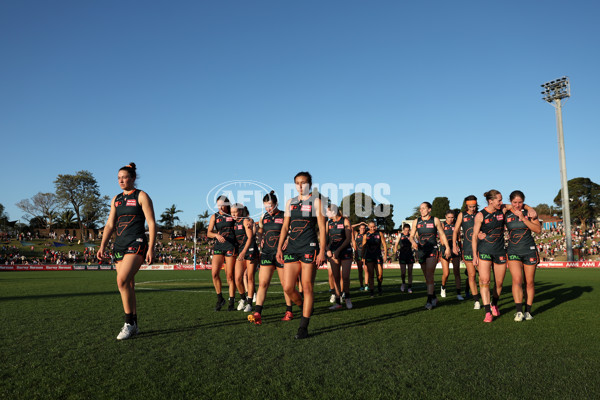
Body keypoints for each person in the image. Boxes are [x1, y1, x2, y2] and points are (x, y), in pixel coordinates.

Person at [97, 163, 156, 340]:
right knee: (128, 284)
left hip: (136, 242)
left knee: (121, 280)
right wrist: (102, 246)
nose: (121, 180)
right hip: (119, 244)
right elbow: (109, 225)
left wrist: (151, 247)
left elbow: (151, 223)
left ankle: (128, 323)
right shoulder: (116, 199)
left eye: (124, 177)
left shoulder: (142, 196)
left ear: (133, 178)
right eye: (118, 178)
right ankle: (135, 325)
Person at [276, 172, 327, 339]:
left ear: (309, 184)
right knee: (288, 287)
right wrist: (279, 248)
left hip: (309, 247)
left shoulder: (317, 202)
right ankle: (305, 307)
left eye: (304, 183)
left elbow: (322, 227)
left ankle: (303, 327)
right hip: (291, 248)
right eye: (297, 183)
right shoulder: (290, 202)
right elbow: (285, 227)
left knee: (306, 286)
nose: (300, 185)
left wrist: (321, 251)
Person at [248, 191, 293, 325]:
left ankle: (289, 311)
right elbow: (261, 231)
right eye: (266, 206)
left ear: (276, 204)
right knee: (263, 284)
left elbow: (292, 230)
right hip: (267, 253)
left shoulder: (284, 215)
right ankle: (258, 313)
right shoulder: (264, 216)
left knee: (286, 286)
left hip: (281, 253)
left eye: (270, 206)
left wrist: (288, 239)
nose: (268, 208)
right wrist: (260, 237)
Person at [505, 190, 541, 322]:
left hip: (529, 250)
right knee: (517, 281)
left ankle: (528, 311)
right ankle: (519, 311)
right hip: (513, 251)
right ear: (511, 202)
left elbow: (538, 230)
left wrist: (524, 216)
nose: (517, 205)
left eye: (520, 202)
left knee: (529, 282)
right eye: (514, 202)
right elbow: (500, 206)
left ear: (524, 201)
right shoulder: (506, 212)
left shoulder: (530, 213)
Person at [410, 202, 451, 310]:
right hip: (421, 251)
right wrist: (413, 242)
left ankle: (429, 301)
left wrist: (447, 247)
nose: (421, 210)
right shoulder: (416, 221)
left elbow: (442, 234)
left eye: (424, 208)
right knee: (427, 277)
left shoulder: (435, 220)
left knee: (429, 274)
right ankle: (433, 297)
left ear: (429, 210)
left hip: (432, 250)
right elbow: (411, 235)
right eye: (420, 209)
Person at [206, 195, 238, 311]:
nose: (220, 207)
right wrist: (216, 235)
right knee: (214, 274)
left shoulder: (232, 214)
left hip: (231, 246)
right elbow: (208, 233)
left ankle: (231, 301)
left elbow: (242, 222)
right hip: (219, 246)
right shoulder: (215, 216)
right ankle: (220, 299)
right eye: (218, 205)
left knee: (229, 276)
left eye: (222, 205)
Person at [453, 195, 481, 309]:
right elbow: (455, 231)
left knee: (483, 276)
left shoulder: (480, 214)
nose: (472, 208)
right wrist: (454, 244)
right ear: (466, 205)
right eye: (470, 206)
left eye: (474, 206)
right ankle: (477, 301)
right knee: (472, 275)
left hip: (481, 248)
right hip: (468, 248)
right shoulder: (462, 215)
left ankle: (485, 296)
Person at [326, 204, 354, 310]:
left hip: (345, 251)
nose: (326, 213)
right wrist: (327, 250)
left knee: (345, 277)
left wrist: (338, 250)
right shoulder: (328, 223)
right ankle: (338, 301)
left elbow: (348, 239)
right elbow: (324, 239)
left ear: (334, 212)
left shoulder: (345, 221)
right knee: (336, 278)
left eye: (328, 211)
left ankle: (347, 297)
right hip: (333, 253)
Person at [232, 204, 259, 312]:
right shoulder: (234, 222)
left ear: (240, 212)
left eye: (235, 212)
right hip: (241, 251)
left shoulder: (245, 220)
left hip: (250, 250)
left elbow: (250, 237)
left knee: (249, 278)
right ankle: (243, 299)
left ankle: (249, 304)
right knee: (237, 278)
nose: (233, 214)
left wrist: (243, 252)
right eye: (231, 212)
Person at [440, 210, 463, 300]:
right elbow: (442, 239)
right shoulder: (442, 225)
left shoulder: (456, 224)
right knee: (446, 273)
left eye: (452, 217)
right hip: (445, 249)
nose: (450, 219)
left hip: (454, 249)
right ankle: (443, 287)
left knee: (457, 272)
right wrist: (446, 248)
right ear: (446, 217)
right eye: (449, 217)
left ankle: (458, 293)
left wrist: (460, 248)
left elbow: (459, 238)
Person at [361, 221, 387, 297]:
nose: (373, 228)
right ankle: (372, 291)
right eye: (371, 227)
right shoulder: (366, 235)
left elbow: (384, 244)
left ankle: (379, 286)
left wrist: (385, 254)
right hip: (369, 256)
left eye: (374, 226)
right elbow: (363, 247)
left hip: (378, 256)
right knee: (371, 274)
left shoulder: (380, 234)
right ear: (368, 227)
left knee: (380, 274)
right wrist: (362, 257)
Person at [393, 224, 414, 293]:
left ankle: (410, 287)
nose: (407, 232)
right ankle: (403, 283)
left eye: (408, 230)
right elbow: (396, 244)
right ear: (403, 230)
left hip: (410, 255)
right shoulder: (400, 235)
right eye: (405, 230)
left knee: (410, 272)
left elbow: (414, 244)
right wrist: (395, 252)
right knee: (403, 272)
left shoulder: (411, 235)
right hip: (402, 255)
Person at [352, 223, 367, 291]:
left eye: (364, 228)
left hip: (365, 254)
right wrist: (360, 223)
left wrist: (367, 224)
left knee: (366, 270)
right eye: (361, 228)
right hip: (358, 254)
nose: (363, 229)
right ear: (359, 228)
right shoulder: (356, 234)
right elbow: (351, 227)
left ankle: (366, 285)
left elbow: (372, 228)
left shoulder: (367, 234)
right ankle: (361, 285)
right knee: (360, 271)